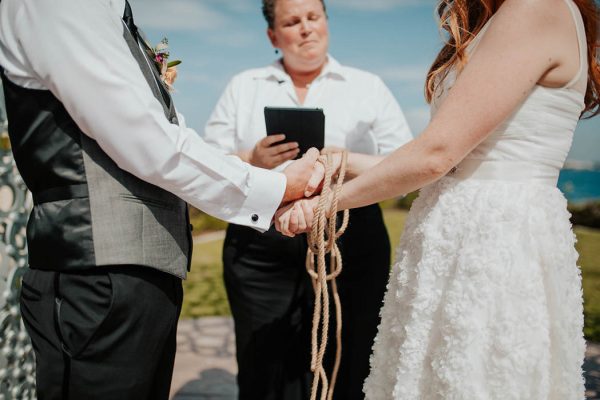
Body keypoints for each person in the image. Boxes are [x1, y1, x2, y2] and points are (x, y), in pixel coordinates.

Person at [277, 0, 600, 398]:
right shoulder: (504, 17)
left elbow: (436, 155)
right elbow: (450, 158)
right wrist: (340, 160)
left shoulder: (534, 7)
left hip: (492, 245)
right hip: (456, 240)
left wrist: (325, 204)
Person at [0, 0, 323, 399]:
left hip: (140, 272)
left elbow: (167, 134)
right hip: (96, 270)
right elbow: (147, 141)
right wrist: (277, 188)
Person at [202, 0, 412, 398]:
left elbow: (402, 164)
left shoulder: (368, 86)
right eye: (292, 21)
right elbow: (209, 161)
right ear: (272, 36)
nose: (305, 28)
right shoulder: (243, 85)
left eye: (313, 17)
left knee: (350, 356)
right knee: (263, 362)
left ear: (327, 23)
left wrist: (343, 163)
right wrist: (253, 159)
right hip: (261, 239)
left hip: (350, 236)